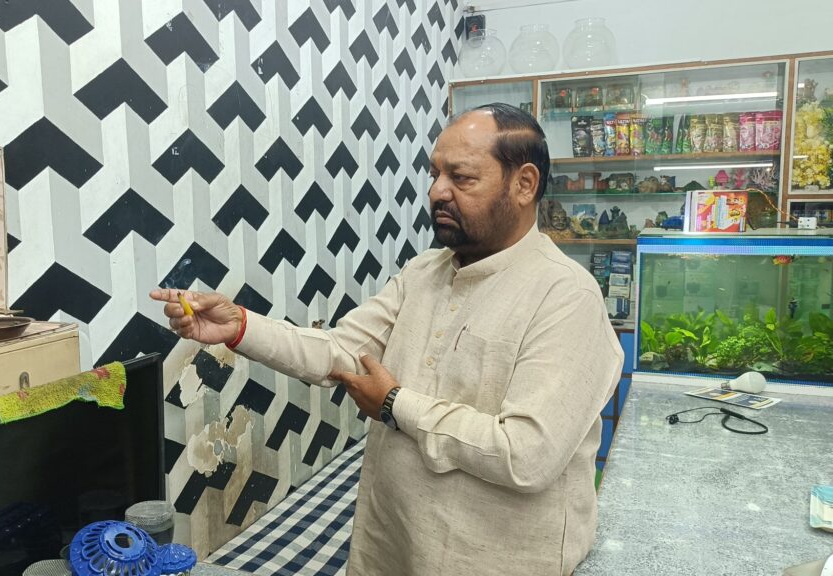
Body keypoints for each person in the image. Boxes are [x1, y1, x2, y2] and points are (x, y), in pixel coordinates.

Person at [151, 103, 623, 575]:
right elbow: (339, 350)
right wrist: (240, 326)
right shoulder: (424, 272)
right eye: (435, 174)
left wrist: (396, 404)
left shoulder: (567, 297)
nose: (437, 192)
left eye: (461, 177)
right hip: (392, 544)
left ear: (524, 184)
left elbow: (527, 454)